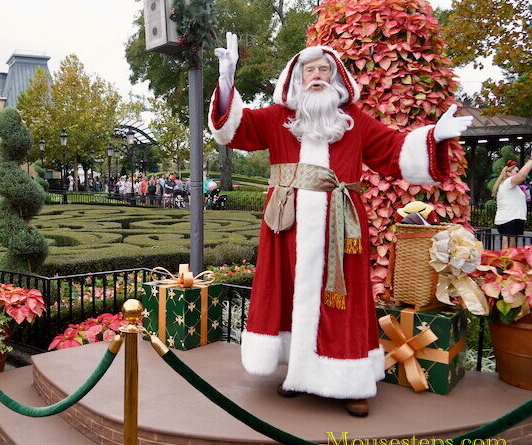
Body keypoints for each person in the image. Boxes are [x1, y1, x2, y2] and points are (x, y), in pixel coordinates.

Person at [209, 33, 472, 416]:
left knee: (344, 298)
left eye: (323, 70)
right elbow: (232, 130)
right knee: (287, 292)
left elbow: (394, 150)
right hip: (287, 225)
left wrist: (434, 136)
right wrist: (227, 79)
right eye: (308, 70)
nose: (315, 75)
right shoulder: (277, 119)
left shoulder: (354, 122)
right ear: (296, 79)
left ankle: (350, 380)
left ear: (335, 79)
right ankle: (297, 372)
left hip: (342, 224)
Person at [493, 159, 532, 249]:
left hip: (510, 219)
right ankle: (509, 261)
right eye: (516, 171)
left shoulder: (509, 185)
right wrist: (530, 161)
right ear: (508, 173)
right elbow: (521, 176)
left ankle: (507, 261)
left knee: (507, 242)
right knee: (510, 245)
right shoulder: (508, 182)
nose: (518, 173)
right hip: (510, 219)